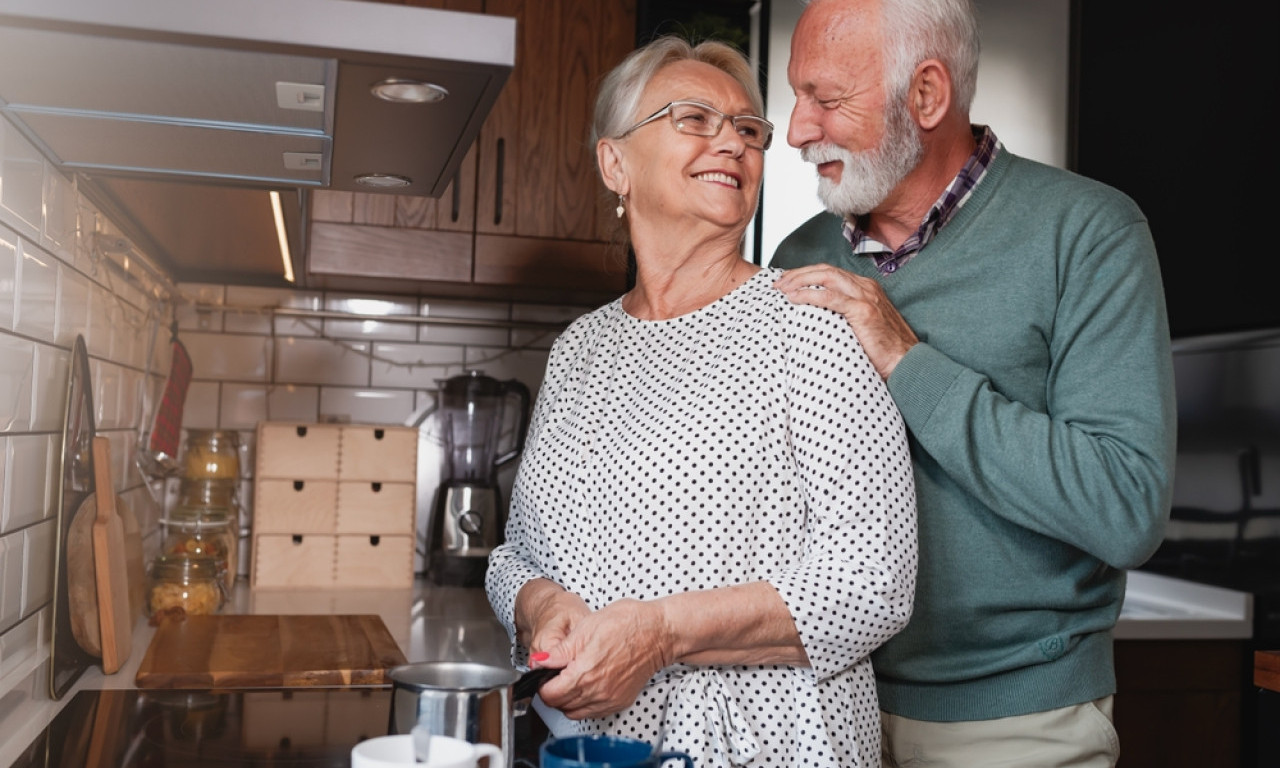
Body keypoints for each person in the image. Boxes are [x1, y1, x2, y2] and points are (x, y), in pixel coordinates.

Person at [486, 35, 918, 767]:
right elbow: (515, 555)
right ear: (614, 163)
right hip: (590, 748)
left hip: (766, 749)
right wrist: (538, 605)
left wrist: (659, 635)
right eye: (693, 118)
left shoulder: (809, 326)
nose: (733, 143)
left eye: (748, 130)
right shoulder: (579, 348)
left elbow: (874, 584)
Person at [770, 1, 1177, 766]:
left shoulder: (1089, 234)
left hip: (1017, 719)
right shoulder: (799, 253)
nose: (795, 130)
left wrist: (906, 360)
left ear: (926, 95)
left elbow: (1126, 506)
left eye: (825, 99)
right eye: (798, 97)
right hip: (824, 709)